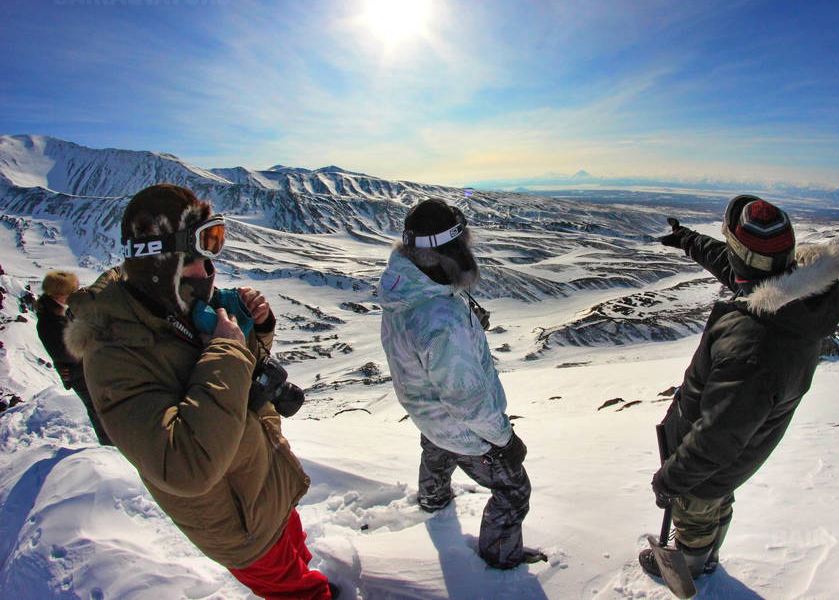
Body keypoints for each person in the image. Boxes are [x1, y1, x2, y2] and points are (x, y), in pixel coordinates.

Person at [65, 184, 337, 599]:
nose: (209, 267)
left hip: (263, 487)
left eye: (214, 243)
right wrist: (226, 348)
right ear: (161, 261)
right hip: (240, 524)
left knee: (296, 556)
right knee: (297, 590)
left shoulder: (167, 309)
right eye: (199, 250)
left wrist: (256, 332)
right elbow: (185, 467)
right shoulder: (116, 351)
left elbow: (230, 391)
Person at [640, 195, 839, 588]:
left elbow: (718, 438)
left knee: (697, 507)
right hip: (742, 448)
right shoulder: (796, 295)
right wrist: (686, 239)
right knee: (717, 497)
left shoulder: (752, 347)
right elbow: (733, 265)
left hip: (711, 463)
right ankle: (709, 546)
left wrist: (671, 479)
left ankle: (694, 562)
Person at [378, 198, 544, 570]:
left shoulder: (404, 288)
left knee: (436, 449)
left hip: (426, 412)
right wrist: (504, 440)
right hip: (462, 429)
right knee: (514, 490)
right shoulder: (443, 320)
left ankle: (433, 502)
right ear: (453, 250)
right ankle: (500, 564)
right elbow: (468, 403)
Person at [35, 270, 113, 445]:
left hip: (83, 370)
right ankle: (109, 445)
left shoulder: (59, 312)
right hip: (80, 374)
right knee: (98, 409)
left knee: (102, 407)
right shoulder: (49, 321)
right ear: (58, 294)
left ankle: (112, 442)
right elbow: (65, 352)